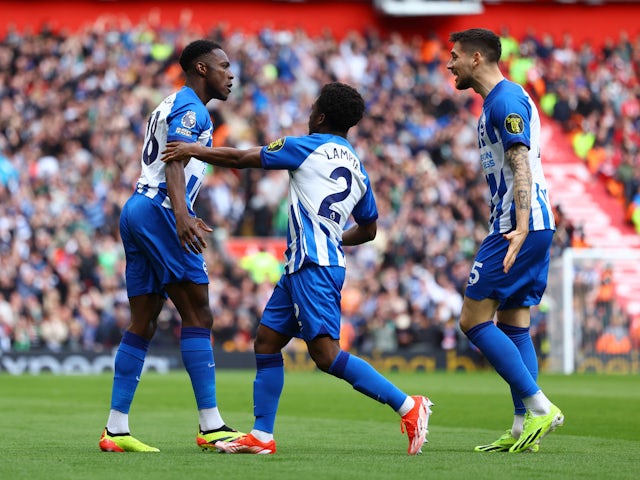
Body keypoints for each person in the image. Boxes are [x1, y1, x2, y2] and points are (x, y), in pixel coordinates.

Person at [161, 82, 433, 455]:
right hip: (305, 265)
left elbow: (243, 159)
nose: (308, 114)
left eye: (312, 109)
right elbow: (369, 229)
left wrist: (194, 149)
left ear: (320, 116)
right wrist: (335, 237)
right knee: (267, 341)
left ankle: (407, 405)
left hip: (314, 267)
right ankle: (261, 436)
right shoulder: (357, 167)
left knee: (326, 355)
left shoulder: (304, 146)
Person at [98, 39, 242, 453]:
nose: (230, 74)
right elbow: (174, 159)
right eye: (223, 66)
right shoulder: (192, 109)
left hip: (137, 207)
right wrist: (182, 214)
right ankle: (211, 425)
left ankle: (116, 430)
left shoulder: (171, 102)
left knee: (143, 319)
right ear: (201, 69)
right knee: (199, 312)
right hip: (161, 210)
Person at [446, 28, 564, 453]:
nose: (449, 64)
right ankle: (522, 427)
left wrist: (517, 227)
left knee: (472, 319)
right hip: (531, 223)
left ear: (477, 59)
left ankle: (540, 406)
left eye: (455, 55)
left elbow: (519, 162)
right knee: (515, 326)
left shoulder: (506, 100)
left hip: (518, 225)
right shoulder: (496, 102)